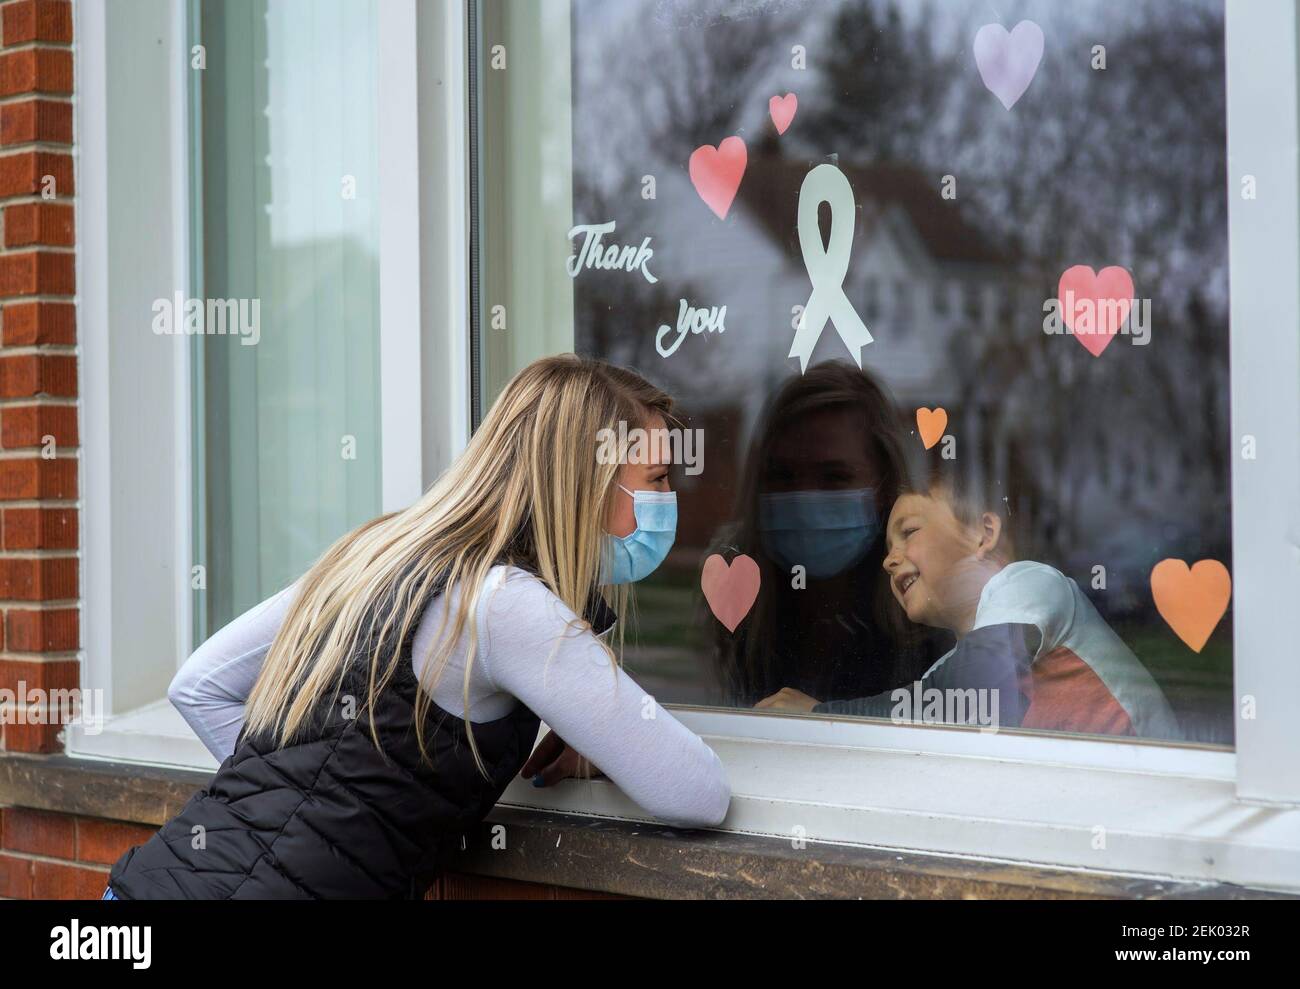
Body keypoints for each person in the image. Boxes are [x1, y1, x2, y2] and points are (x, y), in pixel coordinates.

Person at [104, 355, 730, 899]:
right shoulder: (505, 605)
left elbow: (198, 684)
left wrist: (311, 810)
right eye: (657, 479)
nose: (668, 499)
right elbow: (696, 794)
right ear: (584, 483)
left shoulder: (379, 555)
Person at [758, 462, 1181, 740]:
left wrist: (823, 716)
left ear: (984, 535)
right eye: (888, 545)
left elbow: (976, 690)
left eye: (909, 532)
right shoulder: (948, 673)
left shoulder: (1031, 584)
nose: (889, 560)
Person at [708, 361, 949, 708]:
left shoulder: (933, 615)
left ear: (882, 487)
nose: (806, 501)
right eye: (783, 475)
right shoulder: (733, 600)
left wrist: (826, 717)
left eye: (835, 477)